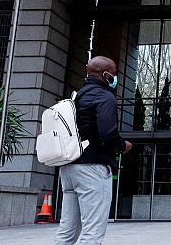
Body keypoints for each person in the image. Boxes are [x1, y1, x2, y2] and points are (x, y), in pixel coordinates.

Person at [54, 56, 132, 245]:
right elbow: (108, 133)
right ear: (105, 75)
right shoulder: (104, 97)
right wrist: (123, 146)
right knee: (92, 232)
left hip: (69, 168)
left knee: (67, 233)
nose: (115, 78)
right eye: (113, 74)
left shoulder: (77, 97)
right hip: (92, 169)